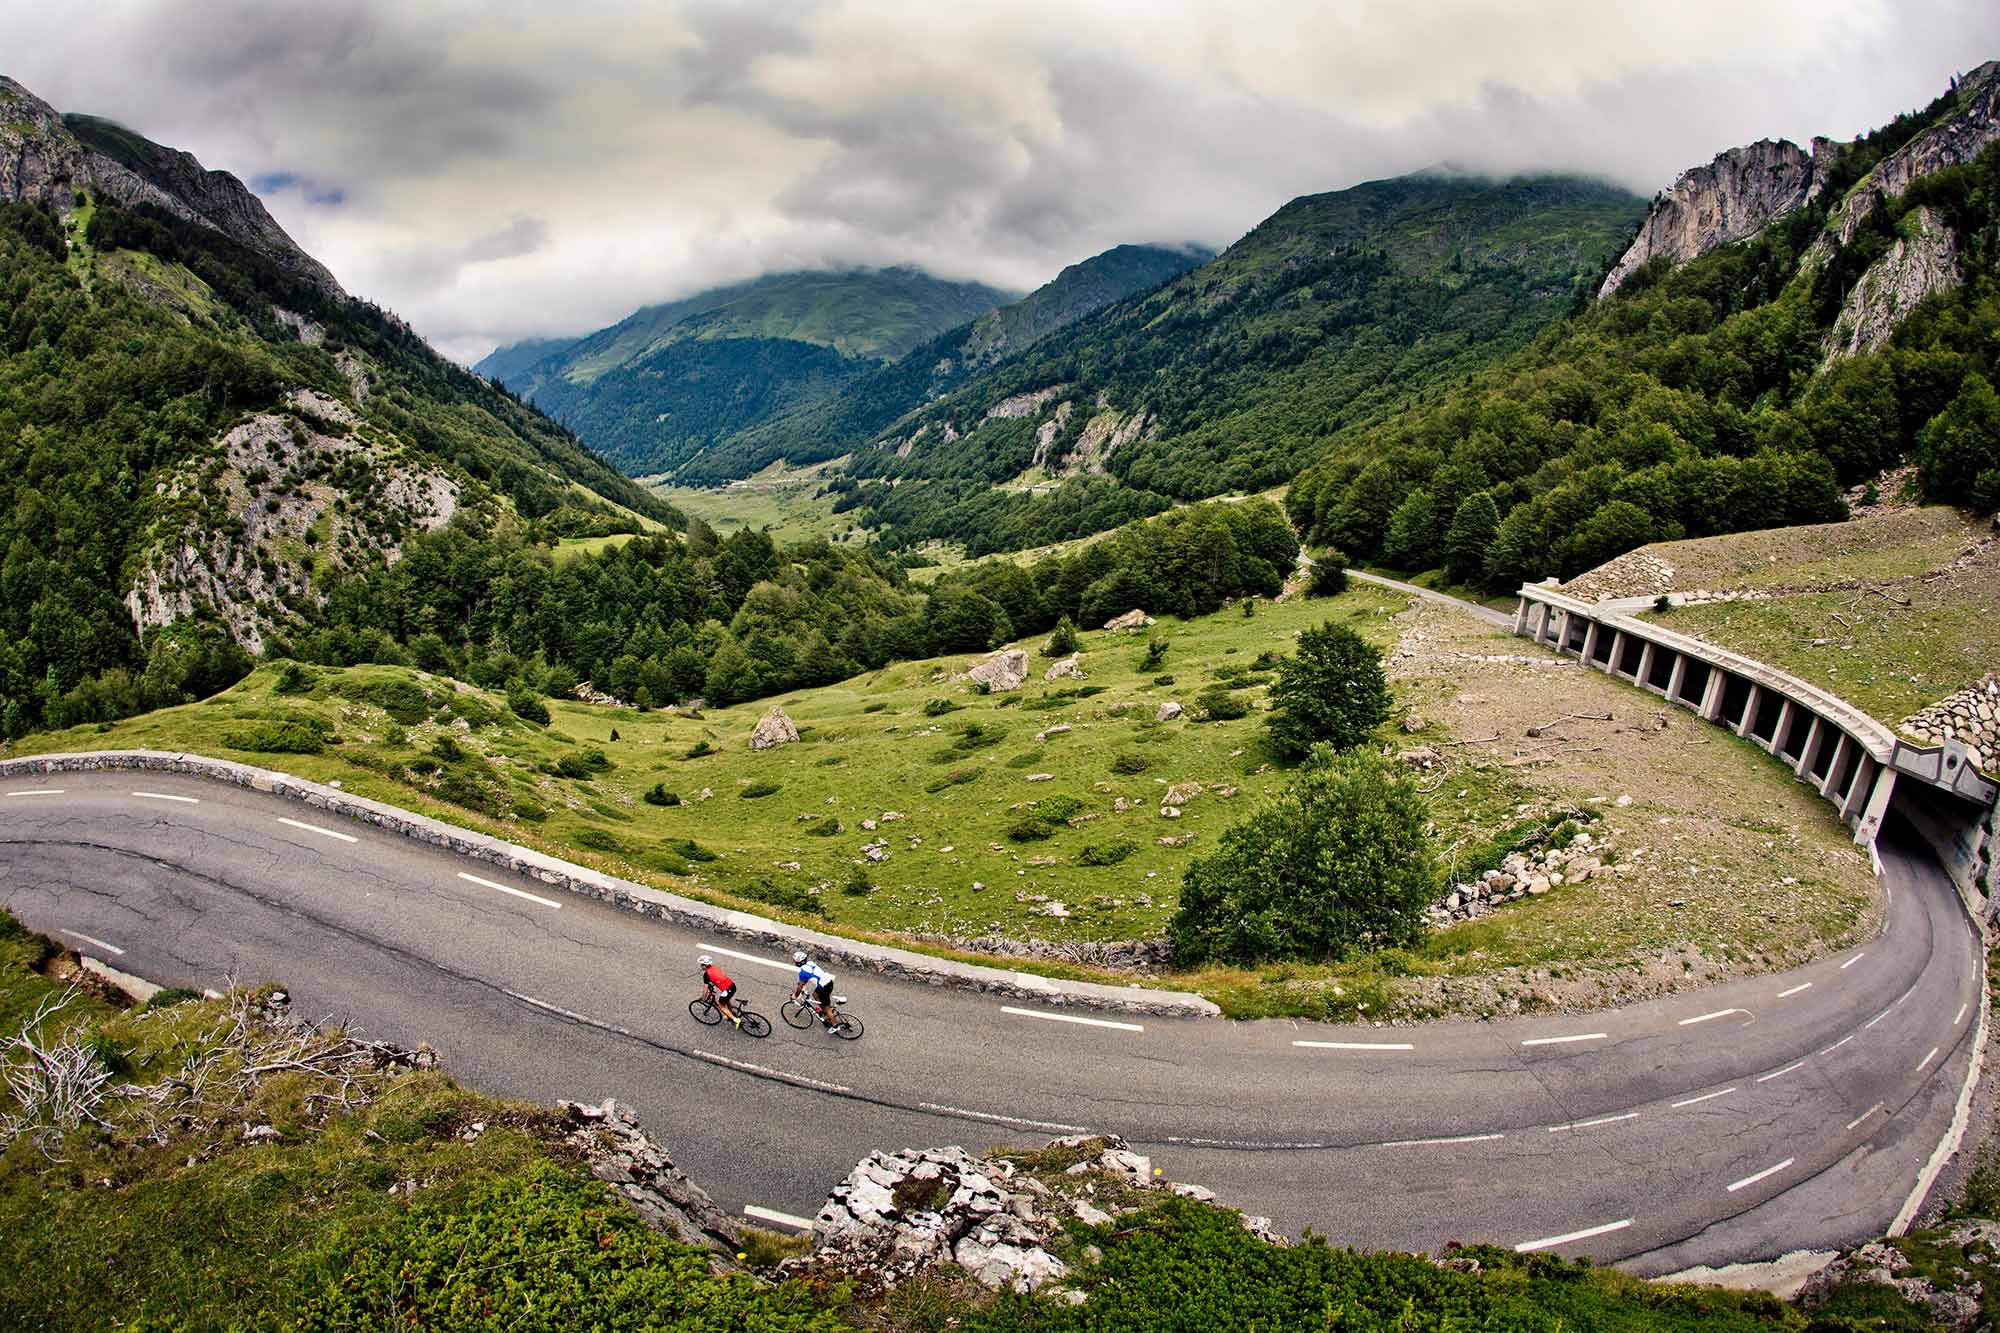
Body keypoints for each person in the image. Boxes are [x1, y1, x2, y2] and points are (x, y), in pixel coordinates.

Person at [791, 949, 837, 1030]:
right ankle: (824, 1011)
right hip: (827, 982)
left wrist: (796, 995)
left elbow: (800, 986)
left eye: (795, 961)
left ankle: (835, 1025)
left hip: (824, 987)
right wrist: (802, 984)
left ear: (798, 962)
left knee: (827, 1008)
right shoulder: (810, 963)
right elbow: (808, 978)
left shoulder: (803, 973)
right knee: (815, 995)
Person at [698, 955, 741, 1027]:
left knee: (721, 1005)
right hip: (732, 985)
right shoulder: (714, 967)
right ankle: (730, 1013)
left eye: (701, 965)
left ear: (704, 966)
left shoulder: (706, 975)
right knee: (725, 1000)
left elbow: (705, 989)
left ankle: (736, 1020)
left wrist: (703, 998)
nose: (701, 966)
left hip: (727, 990)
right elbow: (717, 977)